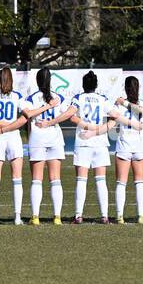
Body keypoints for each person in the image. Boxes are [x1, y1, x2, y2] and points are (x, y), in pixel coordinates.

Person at [50, 71, 126, 224]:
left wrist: (55, 121)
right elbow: (116, 115)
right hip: (100, 142)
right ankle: (104, 215)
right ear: (96, 85)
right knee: (101, 180)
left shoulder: (79, 98)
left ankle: (78, 215)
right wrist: (100, 129)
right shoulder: (102, 99)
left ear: (83, 85)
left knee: (81, 180)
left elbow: (70, 115)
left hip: (83, 141)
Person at [0, 67, 29, 225]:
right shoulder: (17, 96)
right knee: (17, 178)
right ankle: (17, 217)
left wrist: (2, 127)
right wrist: (11, 125)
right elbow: (26, 117)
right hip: (14, 136)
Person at [23, 67, 69, 225]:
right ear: (50, 80)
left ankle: (35, 217)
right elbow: (68, 113)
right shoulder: (58, 97)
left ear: (37, 81)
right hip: (54, 137)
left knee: (37, 179)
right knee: (55, 179)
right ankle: (57, 217)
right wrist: (53, 121)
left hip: (37, 138)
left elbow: (28, 114)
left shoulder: (31, 98)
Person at [112, 76, 143, 224]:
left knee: (121, 182)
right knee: (139, 182)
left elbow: (113, 115)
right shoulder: (142, 104)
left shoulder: (120, 103)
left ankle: (119, 215)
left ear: (126, 88)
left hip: (124, 145)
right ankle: (140, 215)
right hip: (139, 145)